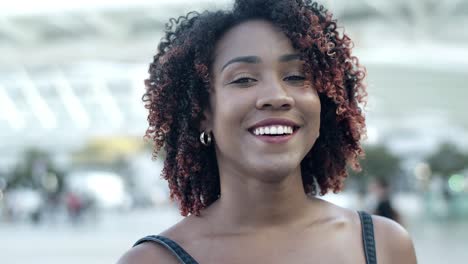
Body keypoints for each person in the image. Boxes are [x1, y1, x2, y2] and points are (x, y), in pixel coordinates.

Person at [118, 0, 417, 263]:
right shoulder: (152, 261)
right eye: (244, 79)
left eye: (297, 76)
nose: (277, 95)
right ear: (202, 114)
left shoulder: (385, 245)